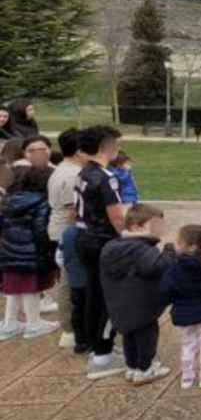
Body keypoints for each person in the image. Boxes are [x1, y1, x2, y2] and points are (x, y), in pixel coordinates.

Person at [99, 203, 176, 385]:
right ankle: (145, 368)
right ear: (136, 226)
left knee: (129, 336)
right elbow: (156, 268)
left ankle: (132, 367)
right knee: (146, 338)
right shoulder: (141, 249)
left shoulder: (111, 247)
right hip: (142, 305)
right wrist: (169, 251)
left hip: (119, 304)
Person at [74, 125, 127, 379]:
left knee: (94, 294)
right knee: (109, 297)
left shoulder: (84, 172)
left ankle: (97, 346)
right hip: (103, 241)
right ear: (106, 146)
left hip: (85, 237)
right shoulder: (106, 177)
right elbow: (116, 216)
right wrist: (129, 240)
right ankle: (103, 354)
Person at [160, 224, 201, 390]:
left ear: (188, 246)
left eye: (178, 242)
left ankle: (187, 377)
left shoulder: (174, 267)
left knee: (188, 343)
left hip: (184, 312)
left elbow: (166, 289)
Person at [0, 166, 59, 340]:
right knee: (30, 289)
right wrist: (47, 250)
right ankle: (34, 324)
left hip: (9, 251)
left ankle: (10, 323)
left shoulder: (10, 200)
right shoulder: (42, 202)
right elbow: (41, 230)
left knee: (14, 289)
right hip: (30, 252)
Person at [47, 128, 85, 348]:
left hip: (61, 229)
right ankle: (69, 329)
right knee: (70, 280)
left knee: (68, 278)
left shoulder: (65, 168)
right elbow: (74, 210)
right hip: (67, 231)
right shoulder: (72, 175)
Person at [59, 219, 88, 353]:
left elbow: (59, 258)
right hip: (90, 281)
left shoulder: (67, 233)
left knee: (77, 311)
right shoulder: (92, 234)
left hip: (75, 280)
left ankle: (80, 342)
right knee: (91, 311)